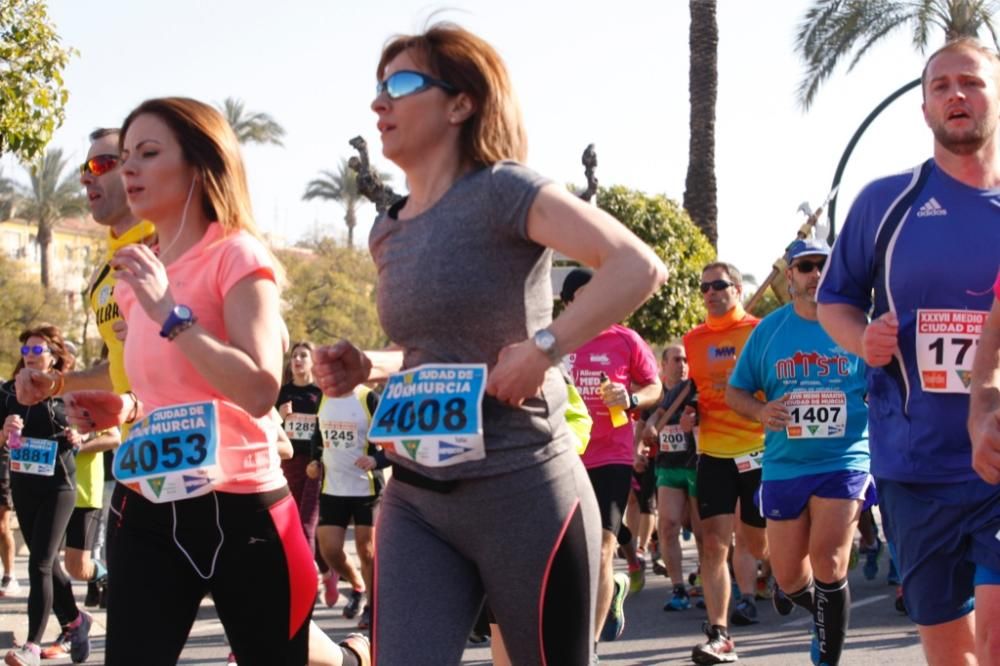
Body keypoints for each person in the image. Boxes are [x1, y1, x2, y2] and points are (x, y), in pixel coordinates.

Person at [311, 23, 667, 666]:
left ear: (461, 102)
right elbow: (424, 351)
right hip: (418, 496)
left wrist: (544, 347)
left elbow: (637, 266)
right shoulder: (387, 231)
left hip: (523, 489)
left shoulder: (506, 190)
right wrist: (370, 366)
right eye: (377, 86)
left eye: (400, 83)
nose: (378, 104)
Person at [61, 97, 368, 666]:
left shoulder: (237, 255)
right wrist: (124, 407)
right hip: (148, 503)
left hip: (243, 510)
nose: (128, 169)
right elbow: (171, 393)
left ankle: (352, 659)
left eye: (148, 154)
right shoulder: (137, 271)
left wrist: (171, 314)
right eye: (124, 156)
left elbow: (256, 390)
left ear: (200, 166)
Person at [819, 37, 1000, 665]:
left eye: (972, 82)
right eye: (941, 85)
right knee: (952, 654)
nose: (957, 94)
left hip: (998, 460)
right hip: (916, 469)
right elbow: (835, 300)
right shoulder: (884, 202)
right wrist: (860, 338)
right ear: (924, 108)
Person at [15, 127, 160, 612]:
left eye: (100, 165)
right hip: (140, 460)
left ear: (135, 171)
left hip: (205, 462)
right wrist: (53, 384)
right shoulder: (104, 274)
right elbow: (114, 366)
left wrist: (163, 328)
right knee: (131, 619)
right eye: (84, 169)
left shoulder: (173, 244)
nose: (86, 179)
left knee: (262, 625)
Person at [727, 239, 872, 665]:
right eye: (805, 267)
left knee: (829, 561)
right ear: (789, 276)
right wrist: (759, 408)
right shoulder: (769, 331)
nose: (815, 275)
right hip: (785, 465)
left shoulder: (855, 325)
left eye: (823, 267)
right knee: (791, 577)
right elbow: (736, 392)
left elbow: (882, 386)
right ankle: (820, 611)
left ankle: (827, 657)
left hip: (843, 459)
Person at [561, 268, 662, 645]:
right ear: (569, 301)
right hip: (566, 457)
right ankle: (613, 590)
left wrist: (632, 398)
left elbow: (655, 387)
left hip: (611, 456)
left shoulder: (626, 339)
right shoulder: (554, 342)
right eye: (585, 293)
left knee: (604, 545)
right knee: (570, 554)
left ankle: (587, 647)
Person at [684, 262, 768, 664]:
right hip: (713, 453)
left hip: (759, 450)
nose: (710, 292)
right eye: (704, 287)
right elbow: (697, 392)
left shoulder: (759, 331)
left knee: (757, 544)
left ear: (736, 288)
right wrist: (692, 414)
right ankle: (720, 633)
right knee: (715, 543)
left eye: (719, 285)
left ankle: (782, 578)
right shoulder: (692, 340)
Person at [1, 325, 92, 666]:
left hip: (60, 485)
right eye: (26, 350)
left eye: (37, 350)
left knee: (39, 563)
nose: (30, 356)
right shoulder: (8, 393)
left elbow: (96, 426)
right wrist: (4, 431)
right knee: (48, 561)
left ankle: (32, 646)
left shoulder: (67, 391)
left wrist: (80, 434)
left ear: (53, 356)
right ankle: (75, 621)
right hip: (24, 485)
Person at [306, 384, 387, 630]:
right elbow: (317, 437)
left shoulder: (368, 398)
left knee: (367, 551)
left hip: (366, 487)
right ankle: (357, 585)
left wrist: (376, 459)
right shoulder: (323, 397)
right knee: (329, 550)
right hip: (333, 487)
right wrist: (314, 460)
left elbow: (394, 439)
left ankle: (372, 608)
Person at [641, 343, 702, 613]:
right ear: (663, 364)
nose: (682, 364)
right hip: (668, 468)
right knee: (667, 525)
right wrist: (643, 442)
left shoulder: (696, 389)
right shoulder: (657, 394)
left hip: (698, 467)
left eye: (686, 359)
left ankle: (710, 578)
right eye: (676, 359)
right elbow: (650, 419)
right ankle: (678, 588)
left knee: (704, 531)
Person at [276, 341, 330, 601]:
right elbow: (266, 426)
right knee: (291, 525)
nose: (297, 359)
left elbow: (327, 431)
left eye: (303, 355)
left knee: (306, 522)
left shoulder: (320, 394)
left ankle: (311, 582)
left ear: (312, 362)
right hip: (285, 465)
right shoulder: (280, 394)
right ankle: (327, 570)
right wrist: (280, 416)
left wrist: (318, 459)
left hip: (313, 466)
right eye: (294, 355)